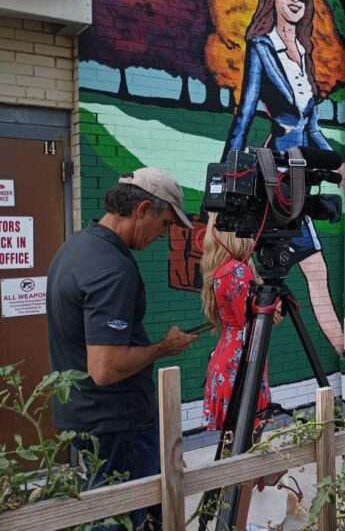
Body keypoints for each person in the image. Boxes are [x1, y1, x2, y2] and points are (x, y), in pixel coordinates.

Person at [222, 0, 345, 383]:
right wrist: (228, 178)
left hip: (302, 177)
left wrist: (341, 165)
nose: (295, 0)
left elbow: (313, 129)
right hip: (278, 180)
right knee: (311, 278)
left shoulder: (304, 52)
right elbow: (244, 115)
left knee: (315, 279)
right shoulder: (262, 49)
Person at [47, 168, 199, 530]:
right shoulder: (112, 269)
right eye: (163, 224)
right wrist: (164, 347)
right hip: (117, 424)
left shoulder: (77, 247)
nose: (162, 236)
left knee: (103, 512)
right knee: (127, 518)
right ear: (143, 208)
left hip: (85, 415)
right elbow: (106, 367)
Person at [200, 213, 284, 530]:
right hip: (241, 366)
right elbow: (255, 320)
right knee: (243, 459)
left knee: (237, 450)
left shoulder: (222, 269)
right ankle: (239, 524)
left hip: (234, 360)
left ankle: (241, 515)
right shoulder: (236, 270)